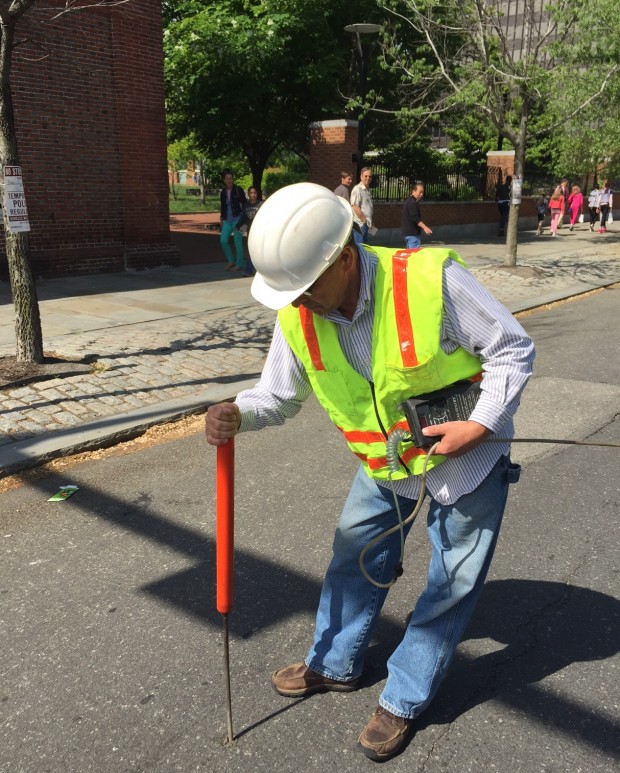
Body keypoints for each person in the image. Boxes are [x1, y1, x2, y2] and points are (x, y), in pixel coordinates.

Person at [205, 183, 534, 763]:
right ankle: (333, 663)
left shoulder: (430, 280)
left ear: (344, 256)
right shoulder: (297, 312)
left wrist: (479, 426)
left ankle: (404, 696)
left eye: (307, 287)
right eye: (292, 293)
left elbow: (512, 347)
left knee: (450, 582)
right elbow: (276, 396)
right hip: (385, 464)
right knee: (352, 559)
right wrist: (237, 413)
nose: (300, 302)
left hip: (470, 458)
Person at [219, 170, 247, 271]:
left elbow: (245, 204)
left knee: (238, 242)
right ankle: (231, 260)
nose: (229, 180)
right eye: (227, 178)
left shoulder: (238, 189)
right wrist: (221, 219)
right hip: (227, 220)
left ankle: (239, 264)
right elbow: (223, 206)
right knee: (223, 240)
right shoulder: (223, 192)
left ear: (233, 179)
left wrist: (243, 221)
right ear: (224, 180)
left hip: (239, 220)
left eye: (230, 178)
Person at [235, 186, 263, 276]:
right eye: (251, 193)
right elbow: (244, 217)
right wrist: (238, 226)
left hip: (259, 231)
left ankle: (253, 269)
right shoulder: (246, 205)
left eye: (255, 193)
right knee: (251, 250)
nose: (253, 195)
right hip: (250, 231)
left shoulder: (261, 204)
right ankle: (249, 269)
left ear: (257, 194)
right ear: (248, 194)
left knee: (259, 251)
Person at [401, 182, 432, 248]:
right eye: (420, 192)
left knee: (410, 254)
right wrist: (425, 227)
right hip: (413, 234)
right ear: (413, 191)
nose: (421, 194)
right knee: (413, 255)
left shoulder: (409, 201)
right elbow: (415, 218)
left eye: (422, 192)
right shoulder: (412, 203)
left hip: (407, 233)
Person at [350, 167, 374, 245]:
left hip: (366, 224)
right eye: (366, 176)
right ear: (361, 177)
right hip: (360, 225)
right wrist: (364, 220)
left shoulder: (368, 190)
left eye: (370, 176)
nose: (368, 178)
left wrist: (369, 221)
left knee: (364, 248)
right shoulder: (357, 189)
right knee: (359, 248)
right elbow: (355, 206)